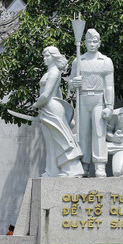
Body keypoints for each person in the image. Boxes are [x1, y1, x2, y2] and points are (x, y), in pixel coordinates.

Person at [69, 29, 114, 177]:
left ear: (99, 43)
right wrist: (73, 83)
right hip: (83, 99)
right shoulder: (78, 60)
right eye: (89, 41)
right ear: (84, 43)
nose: (92, 44)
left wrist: (109, 106)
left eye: (95, 41)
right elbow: (70, 84)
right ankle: (84, 165)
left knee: (99, 132)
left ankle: (100, 165)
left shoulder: (106, 61)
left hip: (99, 99)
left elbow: (109, 85)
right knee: (83, 134)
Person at [33, 46, 84, 177]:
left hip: (51, 107)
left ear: (54, 56)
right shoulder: (50, 72)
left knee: (61, 140)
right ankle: (52, 170)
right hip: (47, 108)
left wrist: (35, 105)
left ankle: (72, 169)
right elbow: (58, 93)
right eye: (44, 56)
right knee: (50, 141)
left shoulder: (54, 72)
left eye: (47, 56)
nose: (45, 58)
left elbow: (46, 94)